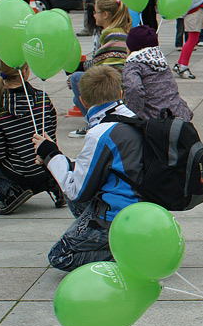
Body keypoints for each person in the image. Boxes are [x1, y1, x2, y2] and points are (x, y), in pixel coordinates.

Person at [34, 65, 145, 271]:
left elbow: (76, 191)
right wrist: (56, 160)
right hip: (142, 210)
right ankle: (118, 242)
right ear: (121, 93)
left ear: (83, 101)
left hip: (118, 216)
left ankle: (127, 255)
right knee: (73, 176)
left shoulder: (99, 133)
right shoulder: (133, 118)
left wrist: (50, 154)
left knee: (60, 256)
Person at [0, 60, 62, 215]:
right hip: (47, 166)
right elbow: (51, 137)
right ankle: (51, 183)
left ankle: (12, 189)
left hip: (20, 173)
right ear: (26, 72)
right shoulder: (42, 98)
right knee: (0, 196)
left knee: (2, 191)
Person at [68, 0, 132, 138]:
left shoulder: (113, 35)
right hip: (118, 83)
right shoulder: (115, 33)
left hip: (116, 85)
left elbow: (103, 68)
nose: (93, 15)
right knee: (77, 98)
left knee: (76, 79)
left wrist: (78, 68)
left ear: (105, 15)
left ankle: (94, 122)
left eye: (96, 12)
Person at [122, 25, 193, 122]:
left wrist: (132, 113)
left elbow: (134, 88)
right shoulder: (160, 59)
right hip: (177, 112)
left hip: (154, 117)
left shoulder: (133, 63)